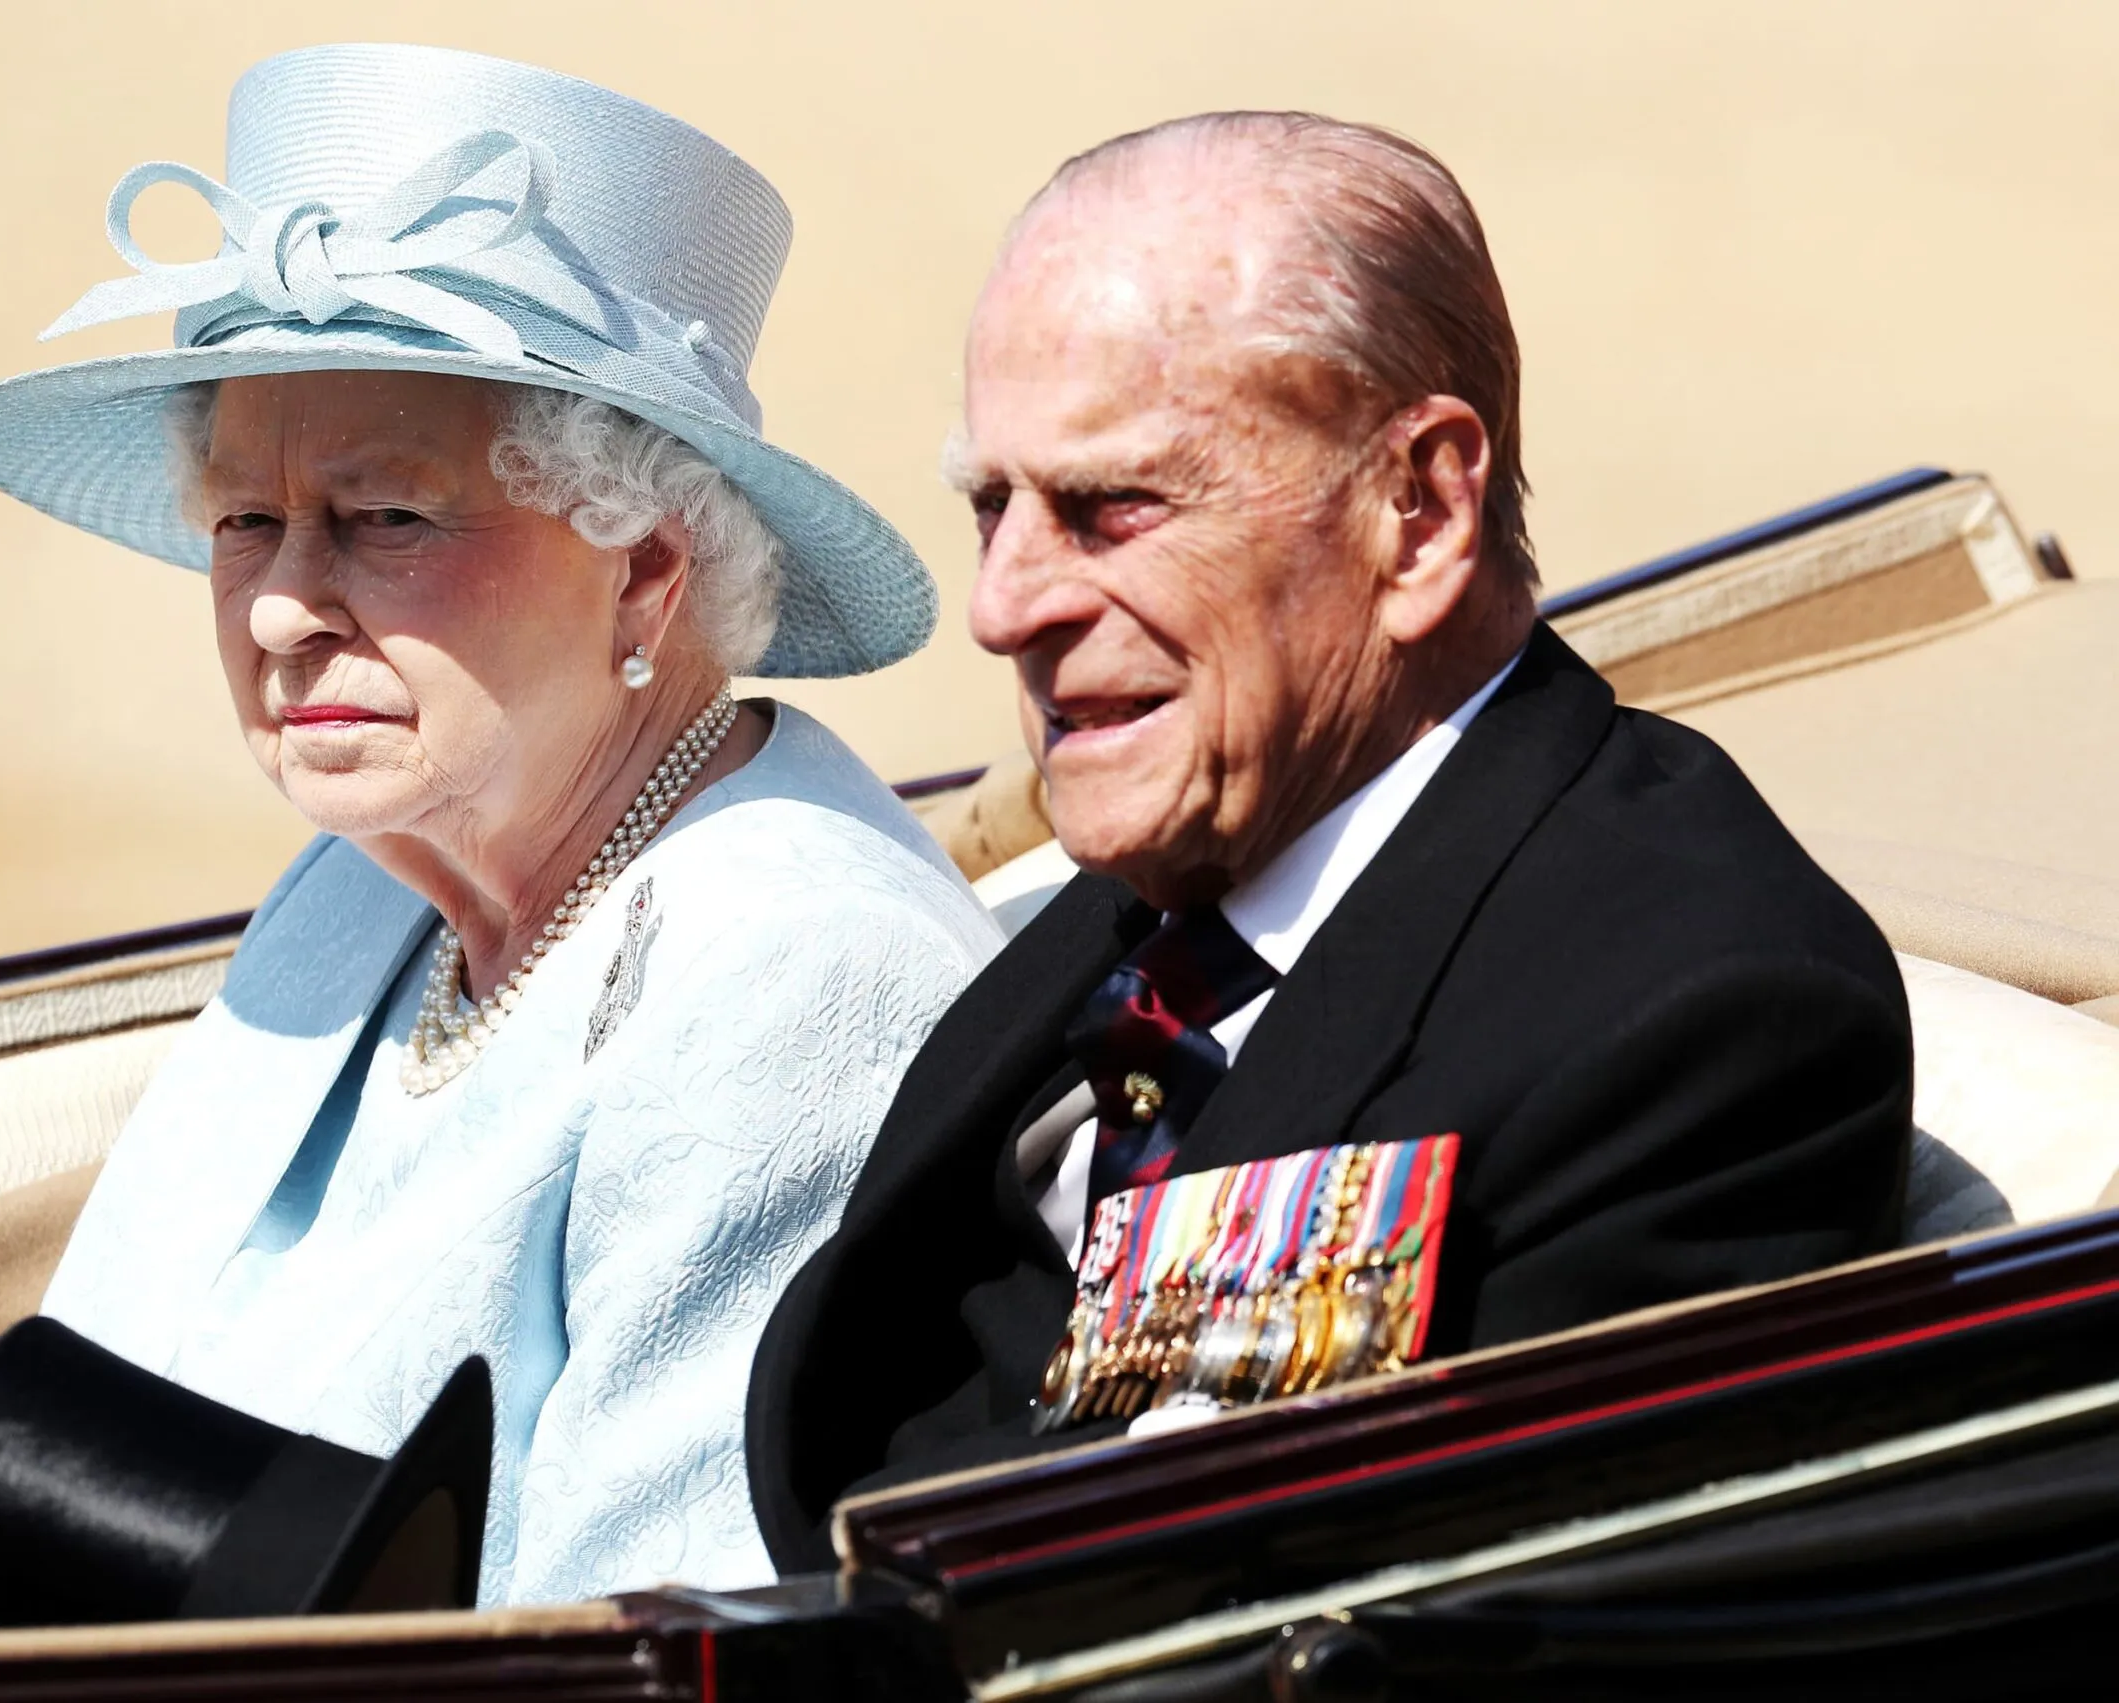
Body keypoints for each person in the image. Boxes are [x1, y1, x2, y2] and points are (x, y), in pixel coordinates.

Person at [747, 112, 1913, 1567]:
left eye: (1115, 506)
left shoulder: (1699, 1020)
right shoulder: (1159, 888)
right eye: (996, 506)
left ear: (1416, 512)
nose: (1003, 605)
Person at [0, 43, 1002, 1606]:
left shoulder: (799, 974)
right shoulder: (363, 884)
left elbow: (641, 1637)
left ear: (642, 573)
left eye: (387, 517)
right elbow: (85, 1416)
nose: (282, 608)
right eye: (246, 520)